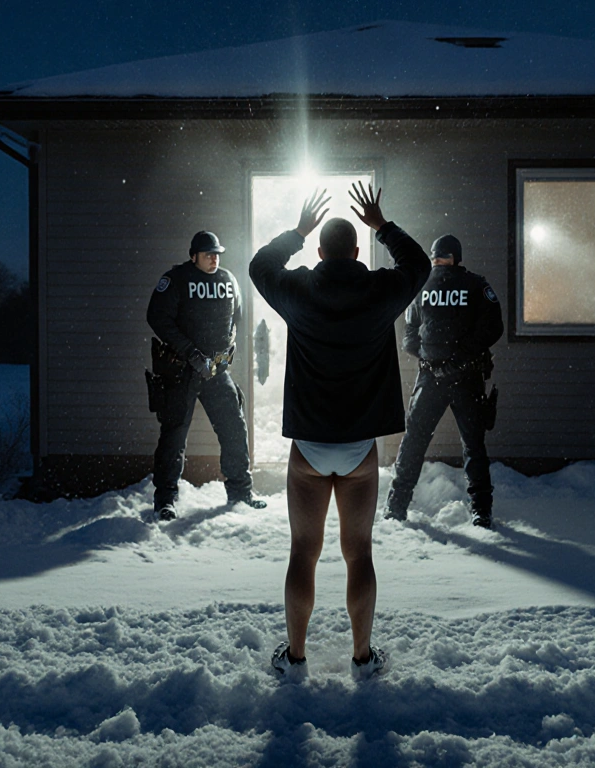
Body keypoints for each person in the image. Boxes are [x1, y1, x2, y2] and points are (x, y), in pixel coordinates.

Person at [250, 183, 430, 680]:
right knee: (360, 552)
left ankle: (296, 658)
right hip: (358, 448)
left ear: (319, 250)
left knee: (303, 552)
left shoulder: (300, 290)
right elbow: (419, 265)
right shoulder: (378, 292)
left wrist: (295, 233)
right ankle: (362, 658)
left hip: (309, 445)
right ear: (356, 251)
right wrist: (384, 225)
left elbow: (259, 268)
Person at [146, 230, 267, 521]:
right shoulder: (176, 280)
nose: (214, 258)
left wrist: (229, 344)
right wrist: (190, 353)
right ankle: (165, 500)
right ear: (193, 255)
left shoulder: (228, 279)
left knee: (234, 428)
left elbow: (236, 316)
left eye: (217, 254)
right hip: (182, 371)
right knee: (174, 436)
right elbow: (157, 317)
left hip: (215, 370)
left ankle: (240, 492)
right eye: (208, 254)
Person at [386, 234, 503, 528]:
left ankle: (396, 507)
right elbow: (493, 328)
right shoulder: (476, 284)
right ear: (457, 257)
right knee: (473, 444)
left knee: (414, 442)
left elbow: (410, 336)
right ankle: (481, 511)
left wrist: (430, 360)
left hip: (431, 378)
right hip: (465, 376)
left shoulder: (421, 286)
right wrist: (458, 359)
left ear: (434, 256)